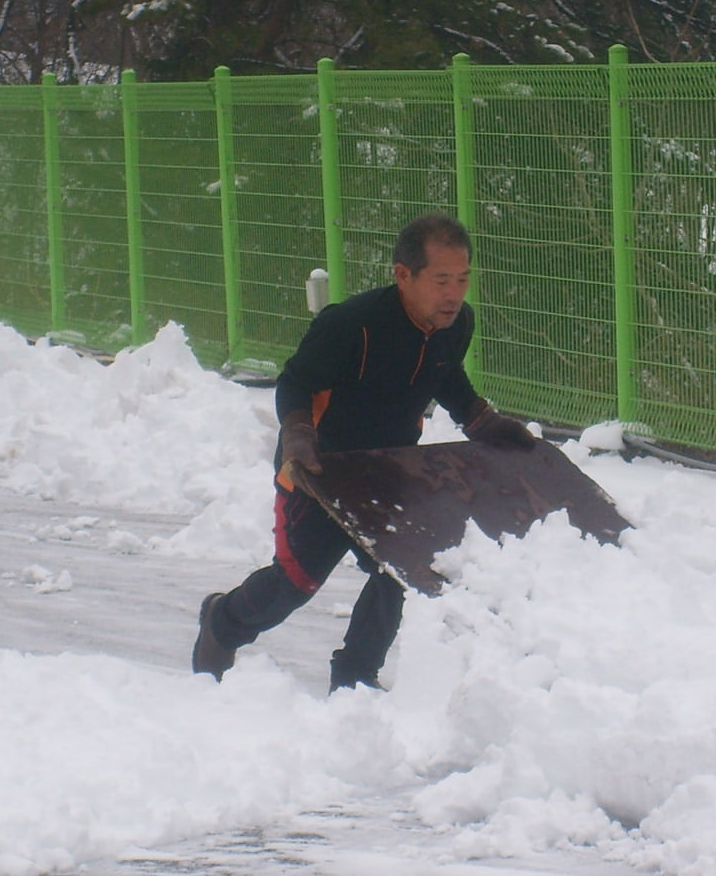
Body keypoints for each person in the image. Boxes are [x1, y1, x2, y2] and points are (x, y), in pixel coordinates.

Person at [192, 213, 536, 692]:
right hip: (318, 470)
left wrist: (480, 419)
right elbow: (296, 382)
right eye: (440, 280)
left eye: (461, 280)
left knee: (397, 574)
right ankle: (222, 621)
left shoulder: (456, 325)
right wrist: (297, 434)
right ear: (403, 275)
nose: (453, 294)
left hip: (387, 472)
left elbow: (444, 373)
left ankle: (355, 676)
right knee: (295, 583)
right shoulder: (352, 324)